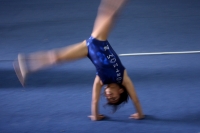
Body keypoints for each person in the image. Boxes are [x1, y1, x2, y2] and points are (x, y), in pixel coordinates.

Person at [13, 0, 144, 121]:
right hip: (99, 39)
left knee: (56, 57)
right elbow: (135, 99)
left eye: (109, 98)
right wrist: (140, 113)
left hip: (87, 48)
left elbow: (94, 100)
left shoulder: (101, 80)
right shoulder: (123, 78)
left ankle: (25, 63)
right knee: (110, 12)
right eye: (114, 97)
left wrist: (95, 115)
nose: (109, 96)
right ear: (121, 91)